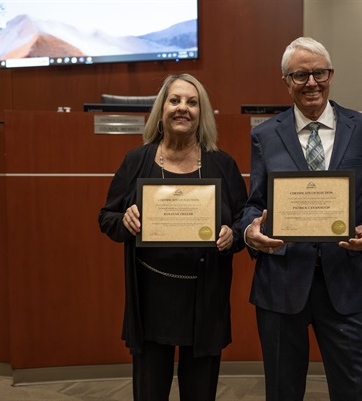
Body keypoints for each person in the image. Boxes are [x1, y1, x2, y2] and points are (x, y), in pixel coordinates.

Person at [240, 37, 362, 400]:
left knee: (355, 391)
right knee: (282, 391)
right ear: (286, 81)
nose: (312, 82)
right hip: (281, 283)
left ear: (331, 75)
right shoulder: (264, 135)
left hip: (343, 282)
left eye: (319, 73)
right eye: (300, 75)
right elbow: (254, 203)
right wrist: (250, 232)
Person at [98, 73, 247, 401]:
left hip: (204, 298)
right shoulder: (136, 161)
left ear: (202, 112)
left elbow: (243, 222)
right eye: (175, 100)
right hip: (151, 297)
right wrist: (125, 220)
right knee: (150, 392)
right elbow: (106, 218)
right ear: (161, 109)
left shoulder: (222, 164)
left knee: (200, 392)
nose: (183, 108)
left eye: (192, 102)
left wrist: (232, 236)